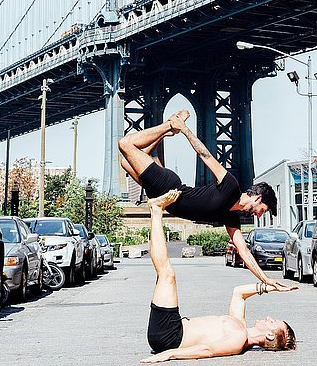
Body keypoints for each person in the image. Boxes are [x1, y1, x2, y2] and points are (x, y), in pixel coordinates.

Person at [118, 111, 295, 291]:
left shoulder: (232, 218)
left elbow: (244, 252)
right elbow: (206, 156)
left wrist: (266, 279)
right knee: (124, 144)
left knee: (126, 162)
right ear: (258, 198)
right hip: (168, 187)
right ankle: (169, 125)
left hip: (160, 198)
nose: (259, 215)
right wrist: (185, 130)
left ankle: (167, 130)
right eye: (262, 210)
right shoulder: (230, 186)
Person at [142, 190, 297, 363]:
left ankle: (156, 211)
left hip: (169, 336)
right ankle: (156, 211)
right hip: (173, 326)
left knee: (167, 275)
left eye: (273, 322)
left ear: (269, 335)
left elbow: (207, 350)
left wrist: (169, 354)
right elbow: (239, 293)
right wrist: (270, 286)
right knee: (163, 276)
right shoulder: (240, 326)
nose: (269, 317)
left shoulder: (239, 340)